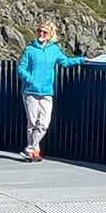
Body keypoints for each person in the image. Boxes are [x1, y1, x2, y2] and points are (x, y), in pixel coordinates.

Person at [15, 19, 82, 161]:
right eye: (39, 31)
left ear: (50, 34)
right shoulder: (29, 49)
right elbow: (20, 68)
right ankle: (34, 152)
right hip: (30, 91)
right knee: (32, 123)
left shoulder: (54, 50)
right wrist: (31, 80)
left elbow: (65, 62)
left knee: (44, 123)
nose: (41, 34)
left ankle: (30, 148)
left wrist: (81, 60)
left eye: (44, 32)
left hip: (46, 91)